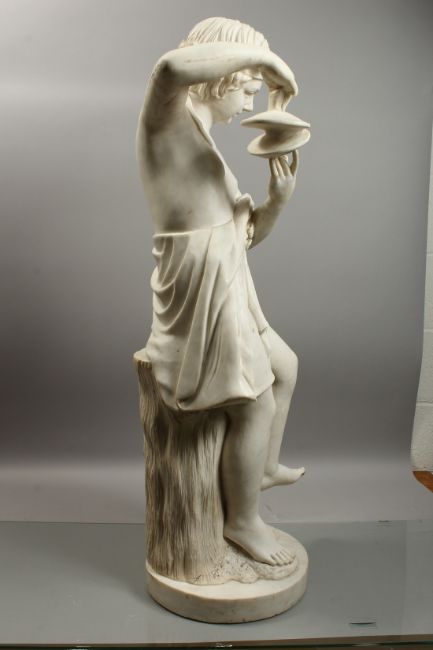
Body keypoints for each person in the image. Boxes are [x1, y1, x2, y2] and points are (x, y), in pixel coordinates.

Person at [137, 17, 304, 567]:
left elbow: (243, 236)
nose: (252, 99)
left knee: (285, 366)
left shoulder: (207, 142)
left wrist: (277, 201)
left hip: (229, 278)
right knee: (254, 403)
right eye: (249, 86)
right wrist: (269, 61)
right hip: (198, 290)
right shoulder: (168, 117)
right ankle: (242, 520)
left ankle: (263, 467)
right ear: (221, 76)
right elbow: (169, 66)